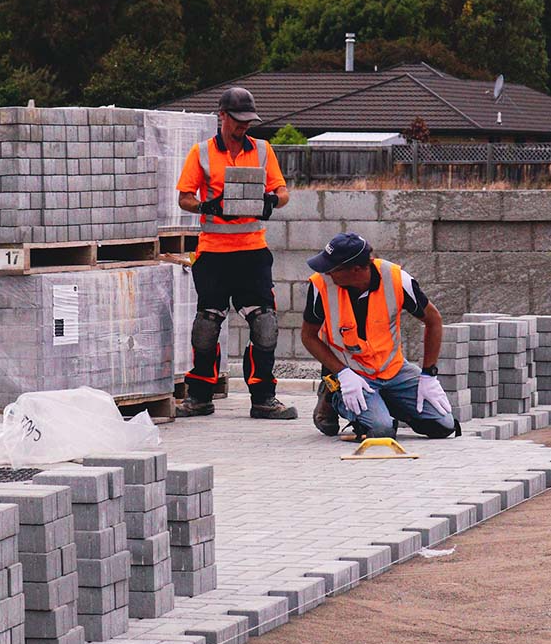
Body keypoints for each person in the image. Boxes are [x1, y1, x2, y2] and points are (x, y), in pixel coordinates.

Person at [175, 87, 297, 420]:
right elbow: (184, 197)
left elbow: (282, 190)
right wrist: (205, 205)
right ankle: (199, 396)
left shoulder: (262, 150)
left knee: (265, 323)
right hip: (213, 253)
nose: (244, 127)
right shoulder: (201, 153)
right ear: (223, 117)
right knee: (207, 323)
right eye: (239, 121)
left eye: (248, 122)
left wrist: (273, 200)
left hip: (252, 253)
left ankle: (263, 398)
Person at [301, 232, 459, 439]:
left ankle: (381, 401)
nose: (326, 274)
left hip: (393, 370)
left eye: (332, 269)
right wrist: (342, 373)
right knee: (382, 431)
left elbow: (434, 320)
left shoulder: (397, 280)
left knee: (444, 426)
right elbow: (308, 336)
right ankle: (333, 396)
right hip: (352, 372)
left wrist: (428, 375)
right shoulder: (320, 285)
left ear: (355, 269)